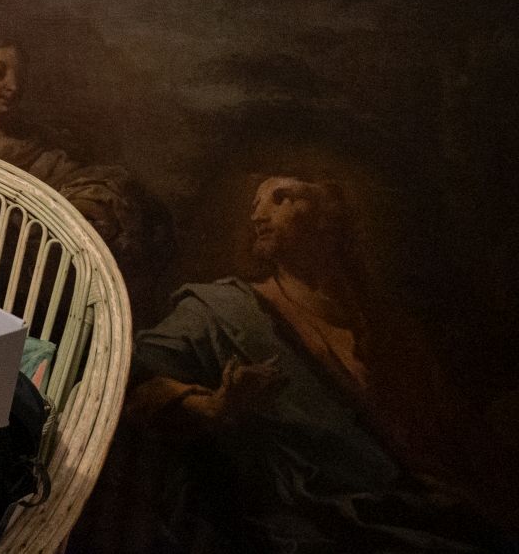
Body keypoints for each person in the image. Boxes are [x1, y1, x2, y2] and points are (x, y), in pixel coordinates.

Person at [127, 174, 512, 553]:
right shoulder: (223, 310)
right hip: (298, 526)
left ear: (330, 215)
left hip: (412, 515)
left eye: (282, 198)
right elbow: (132, 379)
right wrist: (214, 406)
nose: (258, 216)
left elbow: (447, 437)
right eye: (255, 205)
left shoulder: (390, 328)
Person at [0, 36, 172, 303]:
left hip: (51, 292)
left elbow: (94, 204)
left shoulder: (52, 150)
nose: (13, 86)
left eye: (20, 77)